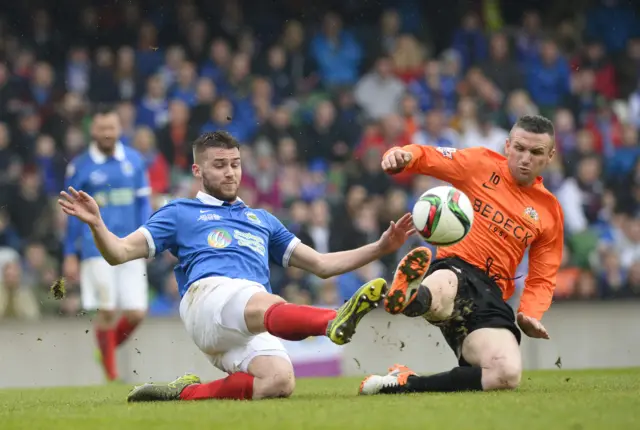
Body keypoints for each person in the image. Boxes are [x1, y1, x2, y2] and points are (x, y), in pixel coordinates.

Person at [58, 130, 415, 402]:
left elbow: (321, 265)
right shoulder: (180, 213)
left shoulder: (262, 220)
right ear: (198, 170)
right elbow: (119, 253)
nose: (230, 173)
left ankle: (183, 394)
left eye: (235, 164)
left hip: (248, 314)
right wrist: (97, 225)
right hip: (207, 299)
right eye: (219, 165)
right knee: (260, 298)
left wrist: (381, 247)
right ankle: (331, 320)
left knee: (278, 381)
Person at [359, 115, 564, 395]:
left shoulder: (548, 211)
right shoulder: (480, 163)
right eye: (519, 148)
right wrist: (401, 155)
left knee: (505, 374)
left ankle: (405, 383)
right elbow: (430, 156)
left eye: (536, 152)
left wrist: (529, 313)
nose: (525, 158)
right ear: (507, 146)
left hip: (491, 296)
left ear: (550, 155)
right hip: (455, 267)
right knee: (445, 285)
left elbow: (543, 276)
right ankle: (412, 296)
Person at [63, 106, 152, 382]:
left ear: (119, 129)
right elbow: (72, 215)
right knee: (107, 309)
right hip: (95, 248)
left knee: (137, 313)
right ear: (93, 130)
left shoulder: (135, 161)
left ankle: (106, 348)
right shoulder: (80, 166)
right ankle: (111, 377)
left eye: (111, 128)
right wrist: (69, 253)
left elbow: (144, 203)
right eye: (102, 129)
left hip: (130, 246)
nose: (106, 134)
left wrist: (149, 237)